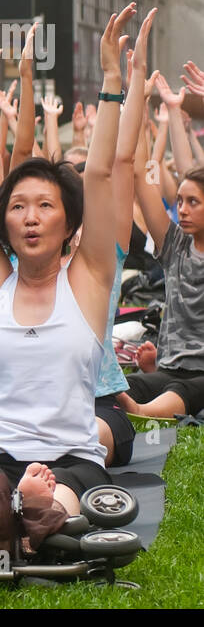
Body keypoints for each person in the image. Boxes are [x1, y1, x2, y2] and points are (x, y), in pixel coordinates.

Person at [0, 2, 142, 515]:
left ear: (68, 224)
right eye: (17, 207)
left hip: (73, 460)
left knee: (52, 502)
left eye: (44, 206)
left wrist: (110, 79)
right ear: (4, 225)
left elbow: (102, 175)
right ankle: (18, 514)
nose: (30, 218)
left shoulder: (89, 278)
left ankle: (41, 513)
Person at [120, 135, 204, 418]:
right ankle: (149, 390)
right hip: (170, 368)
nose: (182, 209)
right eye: (180, 201)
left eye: (193, 202)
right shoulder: (175, 246)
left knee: (189, 390)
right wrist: (140, 101)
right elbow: (141, 175)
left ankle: (144, 411)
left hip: (201, 377)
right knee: (128, 384)